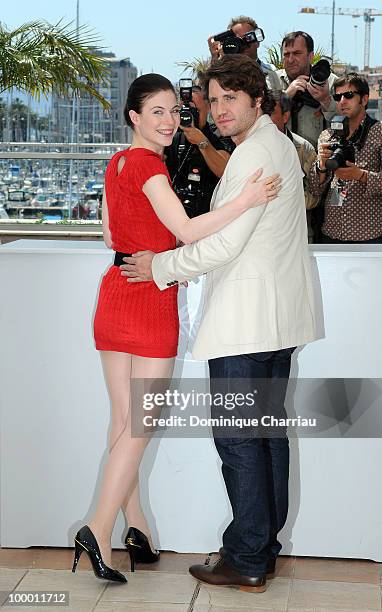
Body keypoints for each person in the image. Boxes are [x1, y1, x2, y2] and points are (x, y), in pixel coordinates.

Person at [71, 72, 280, 584]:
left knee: (124, 422)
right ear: (134, 117)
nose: (169, 121)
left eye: (174, 110)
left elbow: (107, 236)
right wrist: (245, 202)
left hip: (115, 293)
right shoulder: (148, 166)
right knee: (139, 425)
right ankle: (98, 529)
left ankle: (134, 527)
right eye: (157, 112)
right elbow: (187, 232)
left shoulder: (117, 163)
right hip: (149, 301)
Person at [120, 55, 318, 593]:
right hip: (276, 321)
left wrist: (159, 267)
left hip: (247, 324)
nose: (220, 108)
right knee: (266, 437)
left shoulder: (253, 154)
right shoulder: (272, 144)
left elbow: (222, 243)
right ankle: (261, 547)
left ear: (259, 101)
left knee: (239, 440)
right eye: (214, 97)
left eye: (232, 97)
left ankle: (248, 554)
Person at [308, 72, 382, 243]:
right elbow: (315, 189)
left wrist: (361, 175)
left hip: (369, 235)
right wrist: (321, 165)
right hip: (332, 232)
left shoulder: (379, 132)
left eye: (348, 95)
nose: (342, 101)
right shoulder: (327, 136)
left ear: (364, 99)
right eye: (338, 96)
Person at [165, 76, 234, 217]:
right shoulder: (173, 137)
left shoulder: (219, 134)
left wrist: (202, 142)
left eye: (195, 110)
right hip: (179, 216)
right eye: (185, 110)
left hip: (210, 215)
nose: (189, 115)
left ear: (208, 107)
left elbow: (225, 171)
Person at [276, 31, 338, 148]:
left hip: (320, 158)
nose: (290, 59)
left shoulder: (330, 82)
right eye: (286, 54)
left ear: (311, 56)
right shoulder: (272, 80)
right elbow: (261, 118)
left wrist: (326, 100)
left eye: (297, 53)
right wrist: (286, 95)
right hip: (282, 157)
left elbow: (346, 121)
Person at [271, 89, 318, 240]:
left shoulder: (304, 149)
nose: (263, 119)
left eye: (270, 113)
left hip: (296, 237)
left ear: (285, 116)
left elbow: (313, 197)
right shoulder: (247, 147)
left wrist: (279, 200)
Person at [208, 15, 281, 91]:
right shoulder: (224, 74)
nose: (244, 44)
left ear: (257, 42)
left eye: (249, 38)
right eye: (238, 40)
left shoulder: (272, 72)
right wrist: (215, 61)